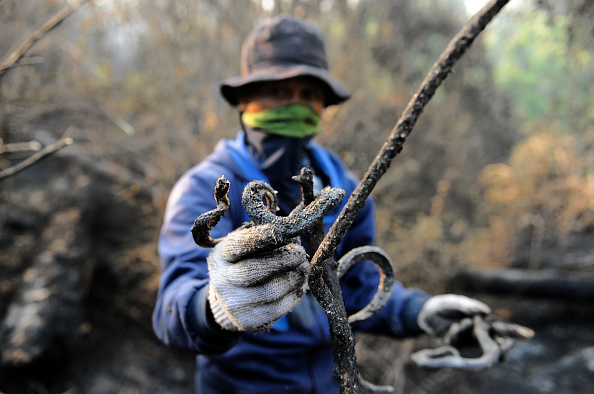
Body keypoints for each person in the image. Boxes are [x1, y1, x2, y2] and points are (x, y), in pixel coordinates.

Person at [153, 14, 491, 393]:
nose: (295, 107)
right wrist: (215, 307)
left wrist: (420, 312)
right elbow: (172, 306)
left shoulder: (344, 188)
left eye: (308, 96)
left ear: (322, 106)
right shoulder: (205, 189)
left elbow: (360, 288)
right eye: (279, 92)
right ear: (245, 101)